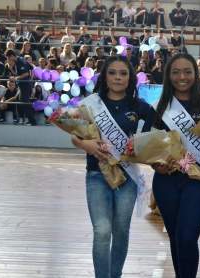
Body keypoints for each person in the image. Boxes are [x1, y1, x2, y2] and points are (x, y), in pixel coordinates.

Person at [71, 56, 153, 278]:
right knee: (102, 230)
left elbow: (156, 133)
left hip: (127, 177)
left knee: (120, 231)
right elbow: (75, 136)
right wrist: (85, 144)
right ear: (105, 76)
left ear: (130, 78)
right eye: (113, 72)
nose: (118, 77)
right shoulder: (91, 104)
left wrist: (141, 145)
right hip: (97, 175)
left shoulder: (139, 107)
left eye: (123, 73)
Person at [152, 53, 200, 278]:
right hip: (166, 181)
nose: (182, 77)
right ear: (169, 75)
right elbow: (151, 147)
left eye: (187, 71)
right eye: (176, 72)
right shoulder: (160, 108)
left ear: (195, 75)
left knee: (188, 237)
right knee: (176, 237)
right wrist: (156, 165)